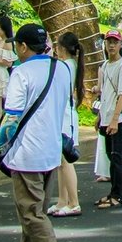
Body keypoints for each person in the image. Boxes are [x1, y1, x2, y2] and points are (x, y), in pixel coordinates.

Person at [0, 23, 73, 242]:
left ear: (23, 46)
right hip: (51, 149)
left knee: (31, 214)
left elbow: (11, 117)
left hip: (27, 152)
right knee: (33, 211)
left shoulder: (21, 72)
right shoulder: (61, 68)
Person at [96, 28, 122, 209]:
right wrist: (101, 117)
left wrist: (114, 119)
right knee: (110, 155)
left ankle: (118, 195)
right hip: (106, 117)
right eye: (108, 41)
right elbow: (104, 93)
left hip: (117, 119)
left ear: (120, 45)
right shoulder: (105, 65)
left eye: (114, 42)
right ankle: (112, 191)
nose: (111, 45)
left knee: (117, 156)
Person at [54, 32, 86, 213]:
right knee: (61, 161)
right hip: (66, 114)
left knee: (66, 161)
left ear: (62, 48)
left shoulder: (64, 66)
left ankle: (73, 202)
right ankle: (62, 200)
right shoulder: (71, 65)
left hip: (64, 115)